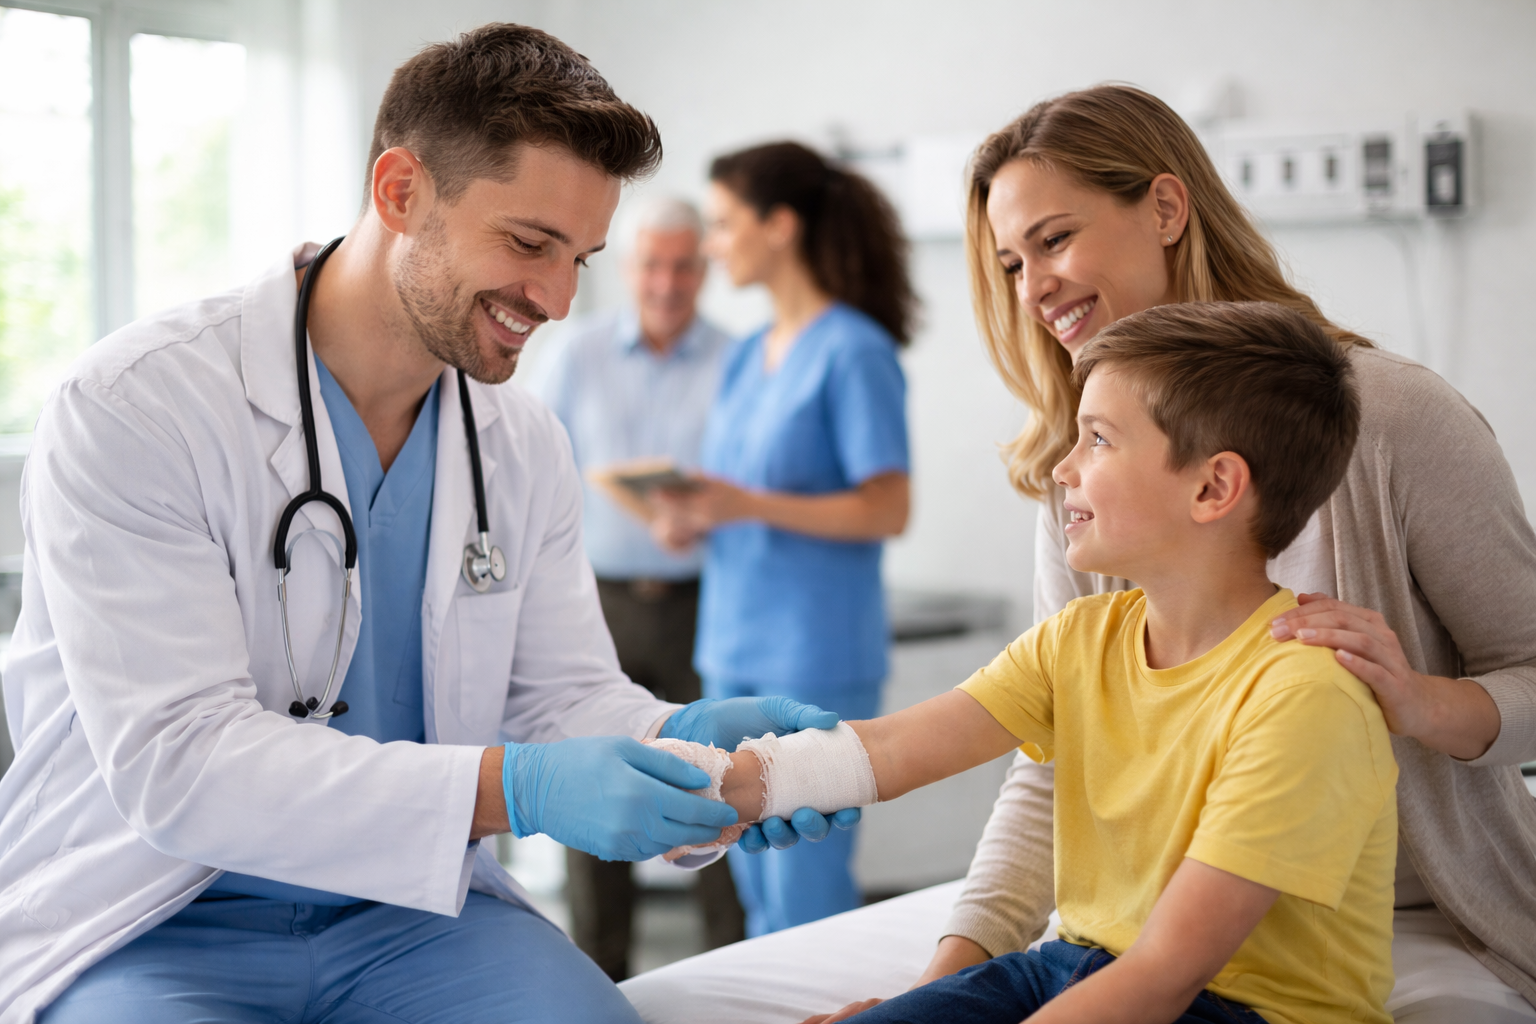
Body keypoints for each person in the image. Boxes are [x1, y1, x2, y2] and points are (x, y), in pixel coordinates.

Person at [0, 25, 851, 1024]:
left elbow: (561, 697)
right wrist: (517, 790)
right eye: (530, 243)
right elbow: (181, 764)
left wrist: (679, 748)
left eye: (580, 257)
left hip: (413, 915)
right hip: (151, 921)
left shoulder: (521, 442)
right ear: (401, 190)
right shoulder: (138, 405)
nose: (559, 299)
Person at [912, 84, 1536, 1017]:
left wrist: (1419, 703)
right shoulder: (1083, 478)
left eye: (1052, 240)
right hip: (1145, 922)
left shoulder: (1398, 421)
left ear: (1166, 209)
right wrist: (947, 977)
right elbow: (1053, 761)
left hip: (1418, 918)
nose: (1031, 288)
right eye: (1009, 263)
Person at [723, 301, 1396, 1024]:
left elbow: (1166, 974)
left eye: (1098, 440)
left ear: (1212, 488)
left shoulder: (1304, 694)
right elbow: (888, 749)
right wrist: (708, 794)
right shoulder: (1078, 639)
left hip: (1239, 1010)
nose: (1061, 467)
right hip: (1068, 966)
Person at [649, 141, 916, 937]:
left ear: (781, 227)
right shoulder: (745, 356)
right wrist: (696, 515)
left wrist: (751, 505)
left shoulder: (854, 350)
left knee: (804, 891)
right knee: (754, 885)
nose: (712, 244)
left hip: (813, 655)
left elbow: (887, 509)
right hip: (730, 649)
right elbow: (738, 498)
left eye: (725, 225)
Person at [527, 195, 743, 979]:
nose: (668, 281)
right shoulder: (575, 355)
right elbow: (531, 476)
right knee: (598, 781)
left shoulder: (738, 359)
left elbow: (754, 485)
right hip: (597, 604)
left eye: (685, 264)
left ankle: (731, 967)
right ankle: (599, 973)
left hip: (705, 604)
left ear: (705, 270)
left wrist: (709, 517)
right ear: (629, 269)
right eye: (653, 264)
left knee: (719, 782)